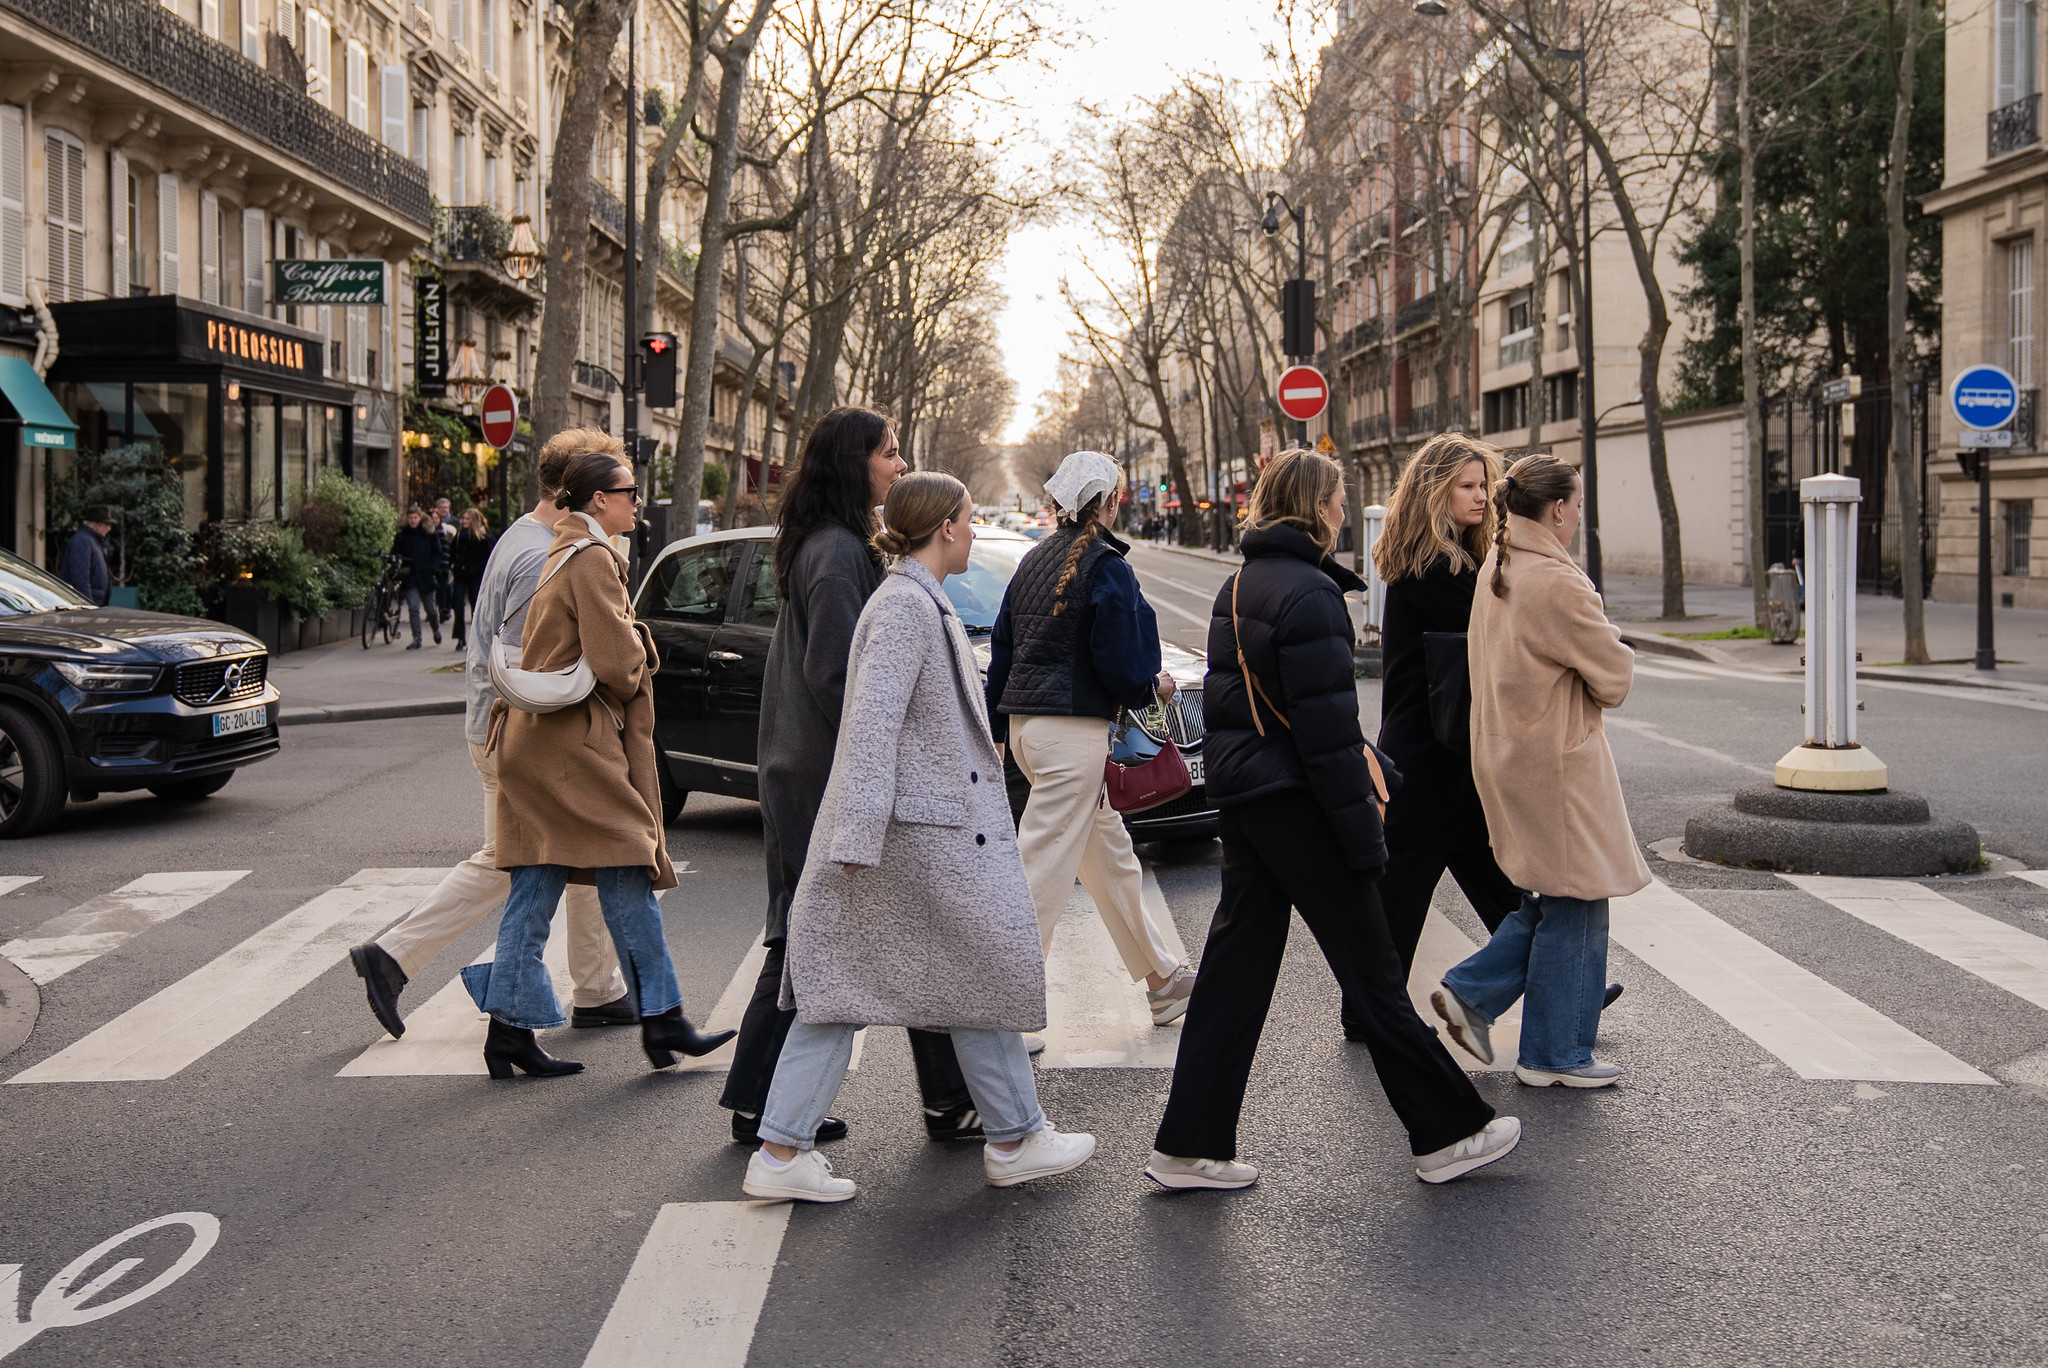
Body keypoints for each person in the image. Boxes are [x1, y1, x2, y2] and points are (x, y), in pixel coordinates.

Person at [1148, 448, 1520, 1192]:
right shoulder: (1313, 596)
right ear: (1317, 507)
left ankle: (1187, 1144)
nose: (1345, 510)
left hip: (1248, 797)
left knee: (1235, 972)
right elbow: (1326, 736)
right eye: (1339, 498)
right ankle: (1449, 1132)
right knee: (1375, 976)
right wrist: (1361, 837)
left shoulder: (1241, 582)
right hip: (1299, 803)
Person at [742, 472, 1096, 1204]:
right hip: (911, 844)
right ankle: (789, 1153)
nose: (972, 530)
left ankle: (1010, 1135)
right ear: (943, 528)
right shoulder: (905, 606)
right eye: (967, 519)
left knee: (940, 983)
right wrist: (859, 835)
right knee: (892, 986)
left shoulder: (911, 597)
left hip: (916, 838)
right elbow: (869, 724)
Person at [722, 406, 979, 1148]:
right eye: (890, 454)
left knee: (876, 927)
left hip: (808, 766)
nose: (900, 466)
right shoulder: (837, 553)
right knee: (822, 933)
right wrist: (893, 765)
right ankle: (773, 1104)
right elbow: (842, 679)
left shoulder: (831, 542)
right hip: (819, 774)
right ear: (852, 462)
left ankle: (942, 1097)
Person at [462, 441, 733, 1078]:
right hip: (570, 751)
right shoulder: (592, 559)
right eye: (630, 492)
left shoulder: (565, 547)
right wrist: (643, 643)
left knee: (554, 877)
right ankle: (660, 1020)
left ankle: (523, 1032)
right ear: (598, 500)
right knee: (624, 856)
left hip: (544, 742)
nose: (639, 502)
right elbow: (618, 664)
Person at [349, 435, 630, 1039]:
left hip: (504, 726)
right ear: (581, 492)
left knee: (585, 848)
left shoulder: (526, 537)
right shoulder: (541, 557)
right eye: (616, 491)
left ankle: (598, 987)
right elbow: (535, 669)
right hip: (521, 734)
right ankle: (394, 955)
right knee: (511, 860)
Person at [1431, 454, 1651, 1090]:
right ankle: (1553, 1052)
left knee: (1556, 897)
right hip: (1556, 764)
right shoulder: (1556, 581)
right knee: (1578, 898)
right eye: (1577, 505)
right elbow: (1614, 678)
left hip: (1508, 753)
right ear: (1557, 509)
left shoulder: (1499, 567)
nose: (1579, 517)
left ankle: (1482, 1001)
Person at [985, 450, 1195, 1044]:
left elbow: (1004, 652)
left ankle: (1161, 981)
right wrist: (1150, 686)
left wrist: (1001, 734)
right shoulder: (1107, 568)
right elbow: (1122, 663)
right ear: (1109, 502)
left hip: (1031, 730)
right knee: (1043, 870)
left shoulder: (1031, 562)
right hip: (1072, 735)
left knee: (1110, 860)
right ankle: (1009, 1010)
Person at [1367, 435, 1520, 984]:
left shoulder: (1451, 559)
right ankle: (1367, 1008)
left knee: (1486, 880)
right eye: (1469, 487)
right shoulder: (1437, 567)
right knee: (1405, 893)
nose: (1482, 497)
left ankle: (1565, 984)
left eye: (1484, 485)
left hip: (1436, 748)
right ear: (1437, 490)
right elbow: (1500, 630)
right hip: (1431, 754)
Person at [391, 507, 442, 649]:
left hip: (426, 574)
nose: (413, 520)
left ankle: (436, 629)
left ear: (420, 518)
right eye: (410, 518)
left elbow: (437, 553)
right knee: (413, 607)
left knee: (430, 608)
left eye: (415, 518)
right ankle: (417, 638)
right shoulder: (403, 535)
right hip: (410, 576)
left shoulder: (429, 533)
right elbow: (395, 552)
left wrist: (433, 568)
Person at [450, 507, 492, 651]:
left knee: (476, 607)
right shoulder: (459, 535)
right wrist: (453, 565)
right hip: (461, 575)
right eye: (463, 518)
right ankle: (460, 637)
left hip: (476, 576)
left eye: (467, 519)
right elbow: (452, 552)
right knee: (457, 604)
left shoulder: (483, 536)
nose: (464, 521)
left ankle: (477, 639)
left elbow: (489, 556)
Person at [59, 506, 113, 607]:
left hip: (94, 603)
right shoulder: (83, 541)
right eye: (108, 524)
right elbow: (81, 578)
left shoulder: (92, 541)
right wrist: (89, 606)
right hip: (89, 604)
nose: (109, 529)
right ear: (98, 525)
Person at [433, 496, 458, 625]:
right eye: (441, 508)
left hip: (449, 559)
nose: (444, 510)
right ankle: (442, 608)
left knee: (448, 586)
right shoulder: (433, 522)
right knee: (442, 586)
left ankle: (447, 608)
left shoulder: (454, 522)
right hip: (440, 560)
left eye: (446, 508)